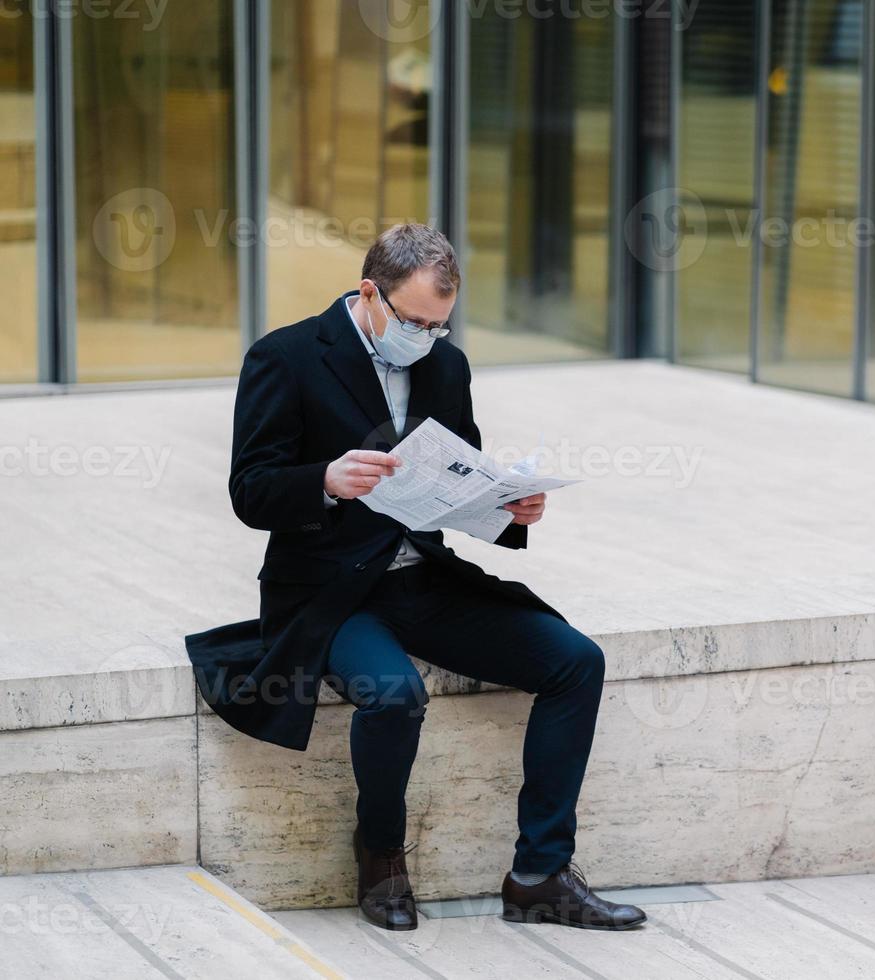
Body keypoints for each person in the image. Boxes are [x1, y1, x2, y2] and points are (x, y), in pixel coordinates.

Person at [184, 223, 644, 933]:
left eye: (440, 324)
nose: (427, 337)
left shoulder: (444, 364)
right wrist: (327, 481)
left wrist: (511, 508)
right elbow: (251, 490)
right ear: (370, 292)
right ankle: (381, 856)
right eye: (415, 321)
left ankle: (538, 876)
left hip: (419, 579)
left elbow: (460, 483)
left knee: (576, 661)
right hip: (330, 593)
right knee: (394, 697)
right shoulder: (287, 356)